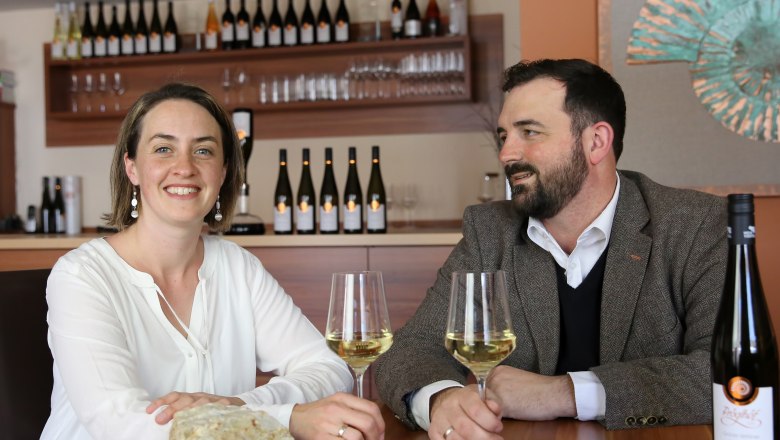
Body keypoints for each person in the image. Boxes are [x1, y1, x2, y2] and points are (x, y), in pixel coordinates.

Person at [374, 58, 728, 438]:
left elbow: (729, 372)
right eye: (504, 136)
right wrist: (441, 400)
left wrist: (564, 393)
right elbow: (410, 350)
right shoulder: (489, 232)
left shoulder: (695, 226)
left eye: (529, 132)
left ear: (596, 142)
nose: (506, 153)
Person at [41, 83, 384, 440]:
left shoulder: (238, 267)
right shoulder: (81, 276)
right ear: (132, 168)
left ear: (221, 173)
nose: (184, 167)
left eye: (203, 151)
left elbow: (328, 368)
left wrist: (237, 405)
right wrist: (285, 417)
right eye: (163, 149)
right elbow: (121, 424)